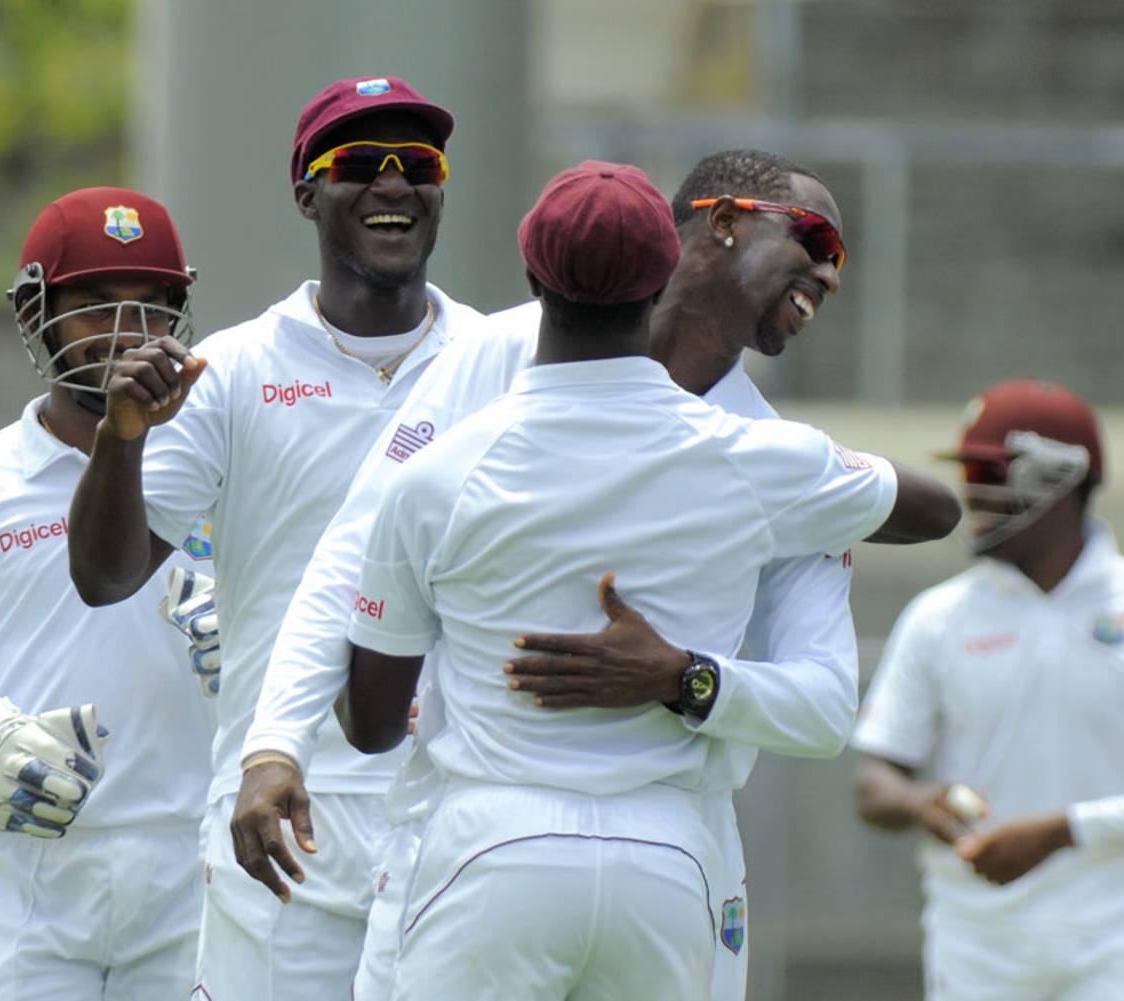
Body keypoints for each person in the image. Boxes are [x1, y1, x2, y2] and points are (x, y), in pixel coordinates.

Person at [235, 149, 959, 1000]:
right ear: (717, 223)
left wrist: (685, 679)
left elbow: (825, 701)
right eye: (816, 237)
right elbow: (349, 552)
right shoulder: (503, 360)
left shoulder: (780, 462)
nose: (831, 275)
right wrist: (273, 743)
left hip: (667, 831)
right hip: (487, 819)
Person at [66, 76, 482, 1000]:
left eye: (417, 165)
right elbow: (105, 576)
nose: (392, 185)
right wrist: (119, 439)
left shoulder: (496, 361)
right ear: (306, 193)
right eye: (358, 166)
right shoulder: (236, 367)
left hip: (458, 814)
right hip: (283, 820)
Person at [0, 186, 215, 998]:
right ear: (34, 314)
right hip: (27, 871)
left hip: (193, 869)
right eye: (96, 307)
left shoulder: (211, 467)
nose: (129, 336)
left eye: (151, 307)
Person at [853, 379, 1124, 1001]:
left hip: (1111, 951)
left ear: (1064, 478)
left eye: (990, 470)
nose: (972, 490)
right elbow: (875, 782)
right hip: (977, 957)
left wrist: (1063, 831)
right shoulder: (938, 617)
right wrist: (925, 803)